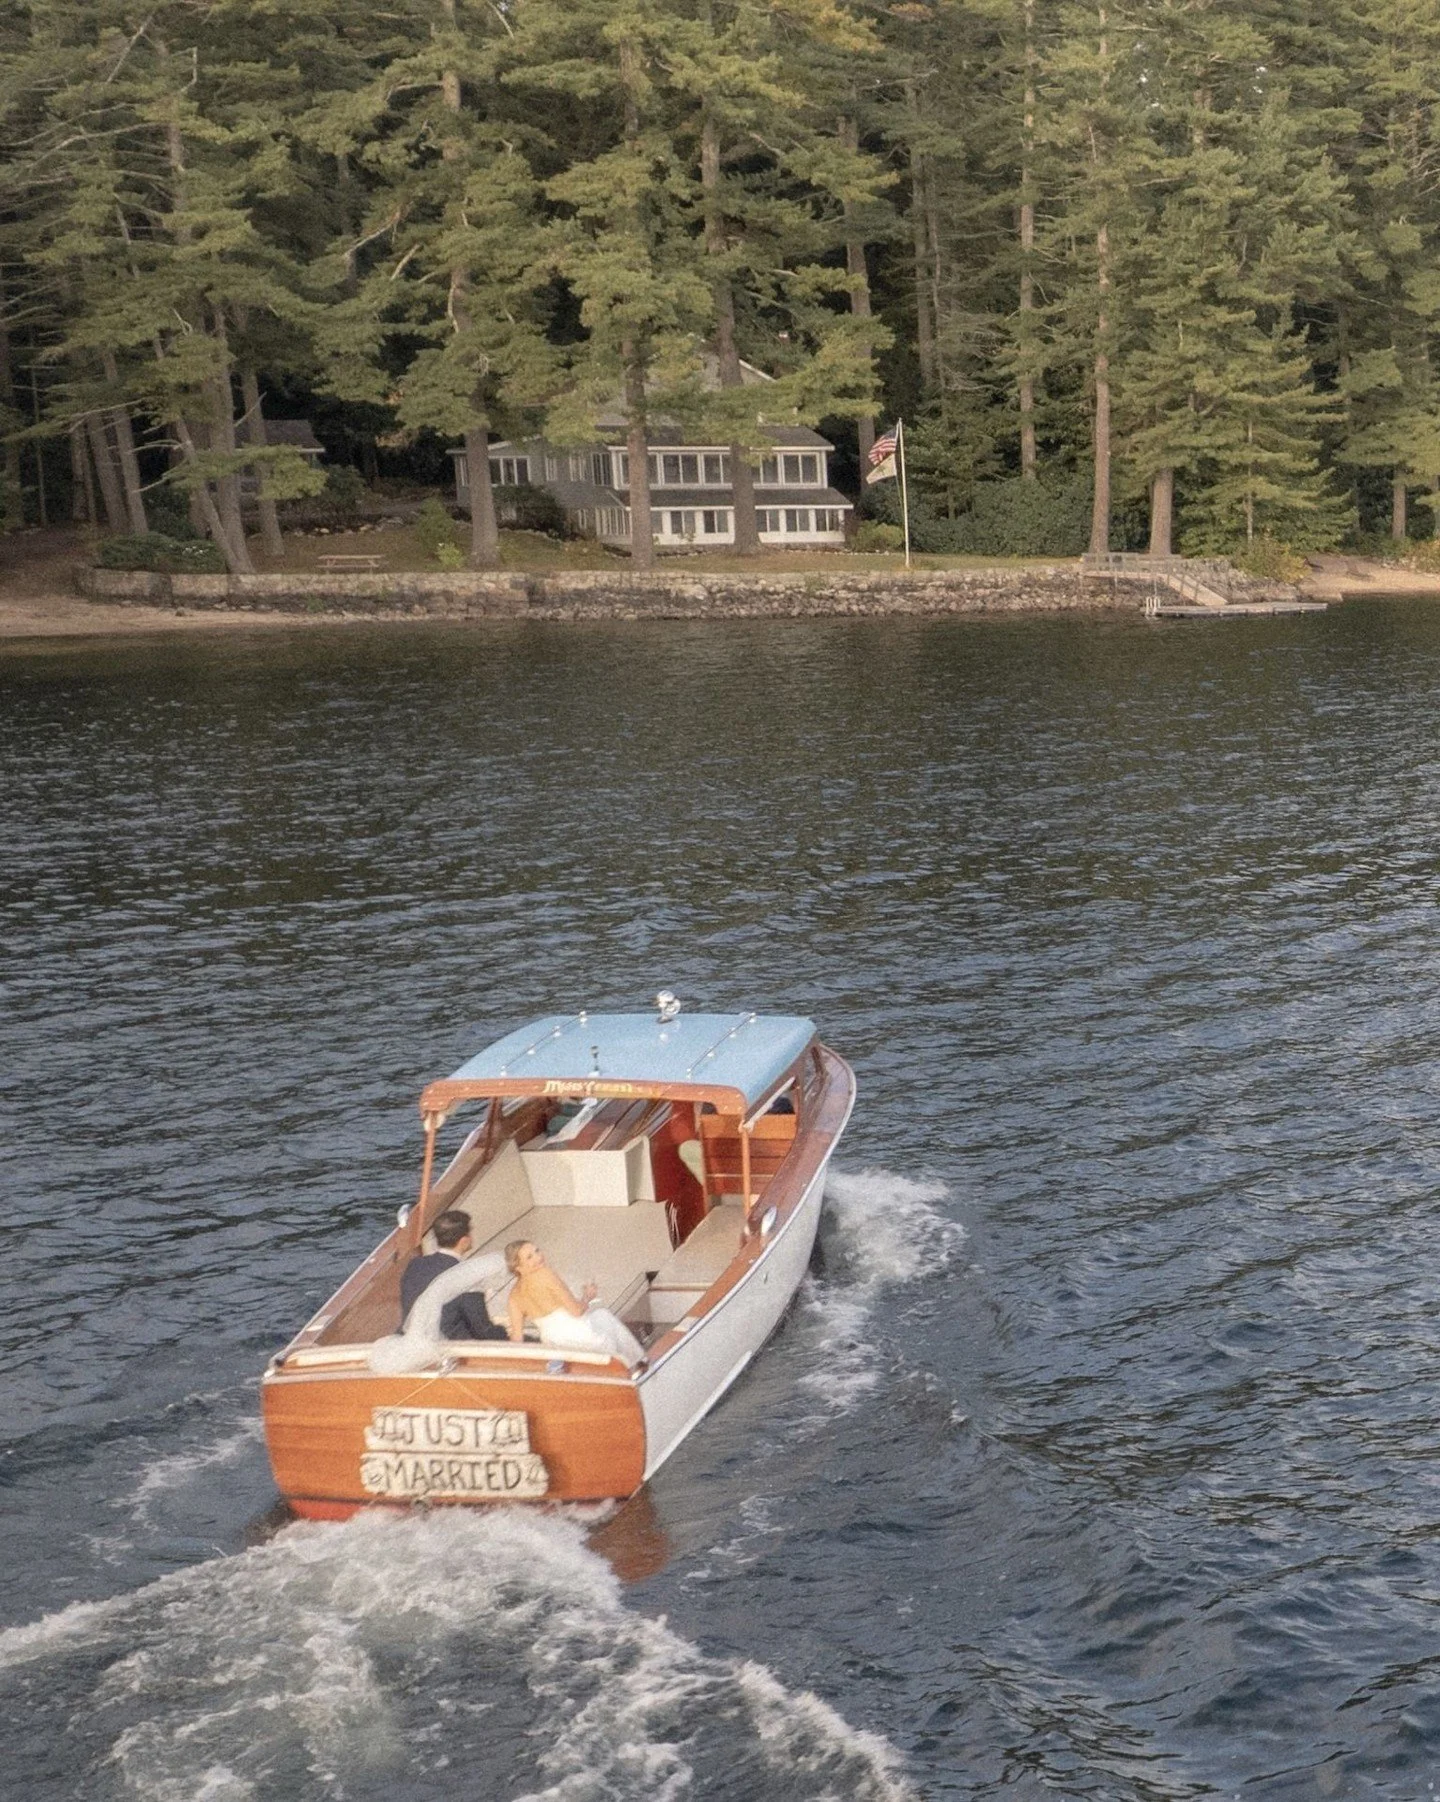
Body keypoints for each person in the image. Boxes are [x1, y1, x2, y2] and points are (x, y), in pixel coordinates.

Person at [504, 1239, 646, 1368]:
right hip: (579, 1334)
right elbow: (577, 1311)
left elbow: (517, 1339)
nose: (538, 1257)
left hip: (553, 1344)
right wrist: (587, 1296)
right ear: (518, 1267)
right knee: (604, 1317)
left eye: (537, 1250)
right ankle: (640, 1364)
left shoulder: (513, 1296)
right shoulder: (545, 1274)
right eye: (529, 1257)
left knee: (601, 1317)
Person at [400, 1209, 506, 1341]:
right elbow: (482, 1329)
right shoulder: (468, 1275)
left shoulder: (415, 1265)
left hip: (413, 1339)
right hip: (452, 1347)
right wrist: (508, 1333)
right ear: (464, 1241)